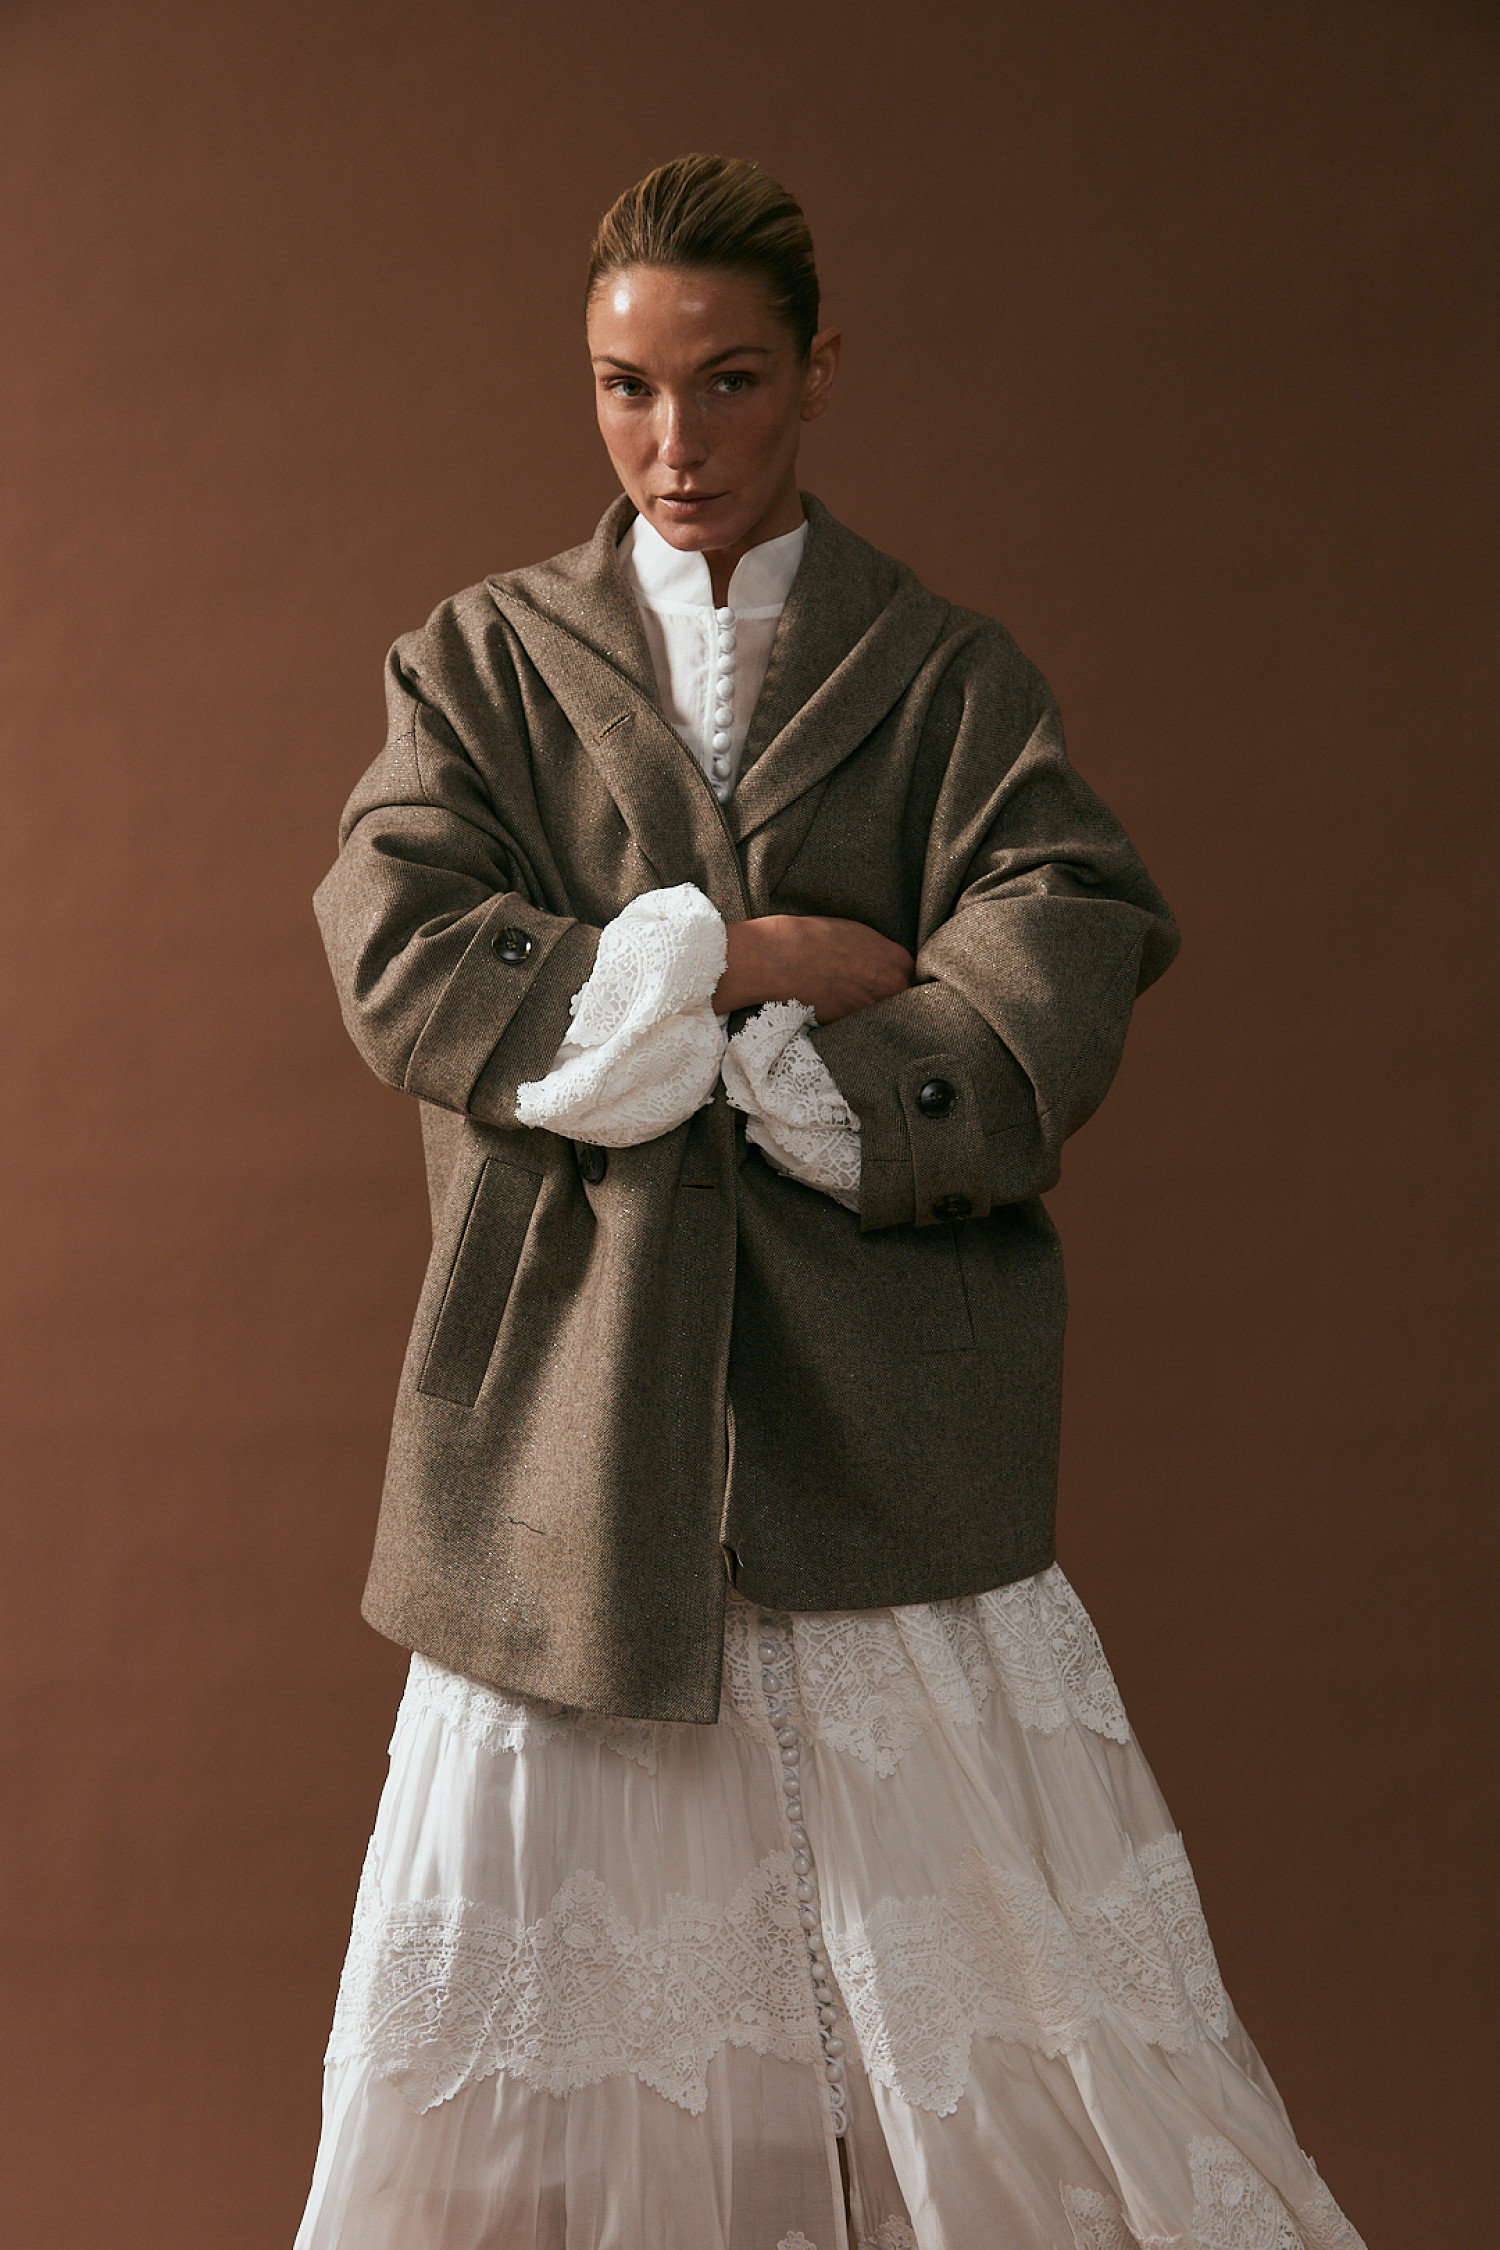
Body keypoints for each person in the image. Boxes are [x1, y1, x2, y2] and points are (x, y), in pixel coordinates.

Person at [295, 156, 1365, 2250]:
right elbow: (397, 944)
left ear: (819, 371)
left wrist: (838, 1089)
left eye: (730, 380)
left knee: (980, 1952)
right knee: (553, 1946)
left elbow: (1066, 925)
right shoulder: (480, 662)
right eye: (624, 386)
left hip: (883, 1410)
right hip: (577, 1403)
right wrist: (737, 959)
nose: (674, 442)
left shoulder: (946, 672)